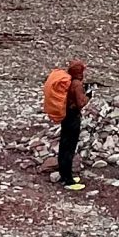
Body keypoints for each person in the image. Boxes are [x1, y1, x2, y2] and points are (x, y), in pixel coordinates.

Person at [41, 56, 90, 192]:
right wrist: (89, 95)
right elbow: (80, 103)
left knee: (64, 145)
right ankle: (68, 180)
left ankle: (64, 175)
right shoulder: (77, 84)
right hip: (73, 117)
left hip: (65, 115)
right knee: (69, 147)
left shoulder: (68, 81)